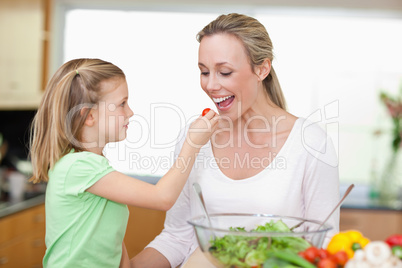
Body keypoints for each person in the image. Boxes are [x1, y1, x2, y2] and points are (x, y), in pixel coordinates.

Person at [131, 13, 340, 268]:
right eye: (204, 72)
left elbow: (324, 245)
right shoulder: (196, 137)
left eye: (225, 72)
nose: (211, 85)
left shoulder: (311, 143)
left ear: (262, 68)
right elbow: (177, 237)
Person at [29, 58, 218, 268]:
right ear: (89, 116)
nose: (130, 112)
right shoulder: (78, 166)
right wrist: (192, 144)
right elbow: (163, 198)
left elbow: (112, 244)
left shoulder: (94, 166)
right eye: (122, 104)